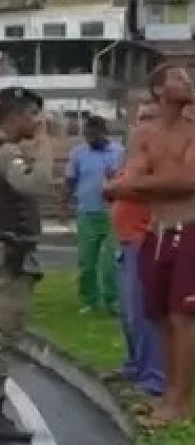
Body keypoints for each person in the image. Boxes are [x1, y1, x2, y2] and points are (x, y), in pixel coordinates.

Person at [106, 64, 195, 426]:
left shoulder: (193, 132)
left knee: (183, 315)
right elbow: (134, 173)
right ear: (159, 89)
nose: (188, 82)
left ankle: (177, 402)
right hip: (154, 233)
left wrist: (129, 188)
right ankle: (168, 399)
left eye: (189, 77)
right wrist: (137, 184)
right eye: (179, 77)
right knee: (159, 317)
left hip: (189, 228)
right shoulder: (144, 133)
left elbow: (189, 181)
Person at [0, 86, 54, 442]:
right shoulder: (3, 153)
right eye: (31, 115)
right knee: (3, 336)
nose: (36, 121)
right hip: (8, 255)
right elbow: (34, 184)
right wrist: (47, 145)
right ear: (14, 117)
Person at [108, 99, 166, 399]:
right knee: (128, 312)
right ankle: (134, 366)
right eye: (139, 118)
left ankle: (153, 379)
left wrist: (117, 188)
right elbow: (115, 187)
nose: (142, 125)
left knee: (144, 314)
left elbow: (126, 188)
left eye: (149, 118)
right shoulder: (134, 158)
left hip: (146, 242)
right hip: (125, 240)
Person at [64, 115, 124, 315]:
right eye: (86, 135)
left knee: (110, 262)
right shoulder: (78, 154)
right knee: (87, 261)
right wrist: (63, 205)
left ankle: (112, 300)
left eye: (93, 135)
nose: (89, 139)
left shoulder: (119, 153)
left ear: (103, 132)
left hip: (112, 213)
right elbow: (70, 180)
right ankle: (90, 300)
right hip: (87, 213)